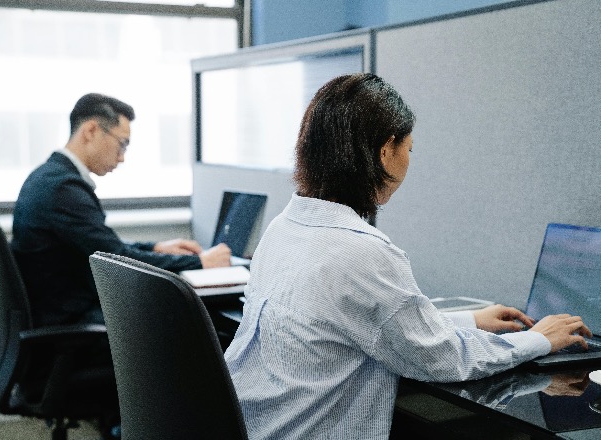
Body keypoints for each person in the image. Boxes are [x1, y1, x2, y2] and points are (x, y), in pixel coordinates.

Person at [223, 73, 592, 439]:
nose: (409, 160)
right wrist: (539, 339)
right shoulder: (360, 251)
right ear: (386, 151)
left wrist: (469, 320)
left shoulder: (283, 229)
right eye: (409, 148)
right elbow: (443, 358)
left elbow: (363, 324)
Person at [12, 93, 231, 327]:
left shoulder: (49, 177)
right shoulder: (62, 189)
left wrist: (156, 247)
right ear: (91, 131)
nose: (122, 157)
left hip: (65, 311)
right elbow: (118, 260)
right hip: (74, 322)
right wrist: (201, 263)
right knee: (195, 321)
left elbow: (102, 244)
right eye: (122, 143)